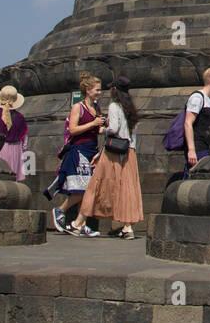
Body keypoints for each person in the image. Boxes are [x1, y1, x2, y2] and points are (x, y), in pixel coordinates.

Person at [69, 77, 143, 239]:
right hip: (129, 151)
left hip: (113, 153)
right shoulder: (131, 108)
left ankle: (78, 222)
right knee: (127, 188)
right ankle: (127, 226)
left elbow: (114, 129)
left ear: (115, 90)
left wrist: (103, 130)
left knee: (97, 185)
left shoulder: (115, 106)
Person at [45, 72, 106, 234]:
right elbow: (73, 130)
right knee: (84, 189)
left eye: (100, 90)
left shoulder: (96, 107)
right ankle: (61, 210)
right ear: (88, 90)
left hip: (91, 149)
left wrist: (103, 127)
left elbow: (96, 130)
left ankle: (80, 222)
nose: (100, 93)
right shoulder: (78, 107)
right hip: (78, 150)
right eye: (97, 90)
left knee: (89, 189)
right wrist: (93, 122)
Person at [0, 85, 29, 181]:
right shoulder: (20, 117)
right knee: (13, 177)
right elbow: (24, 140)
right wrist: (23, 150)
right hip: (15, 149)